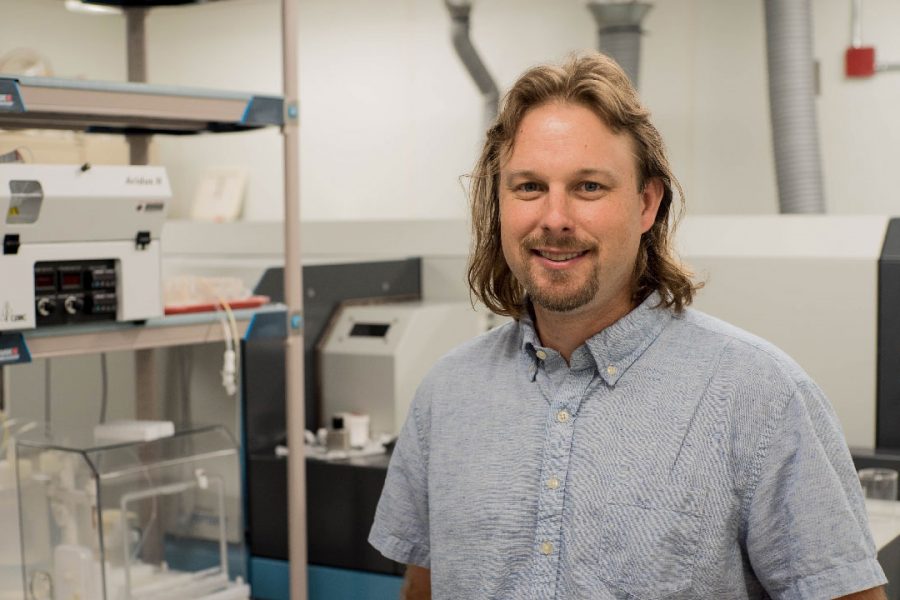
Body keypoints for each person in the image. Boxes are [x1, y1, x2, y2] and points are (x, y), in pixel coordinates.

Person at [368, 52, 888, 600]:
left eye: (589, 187)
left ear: (646, 204)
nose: (555, 218)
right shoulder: (447, 396)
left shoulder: (761, 399)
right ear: (499, 203)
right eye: (528, 187)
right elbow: (422, 589)